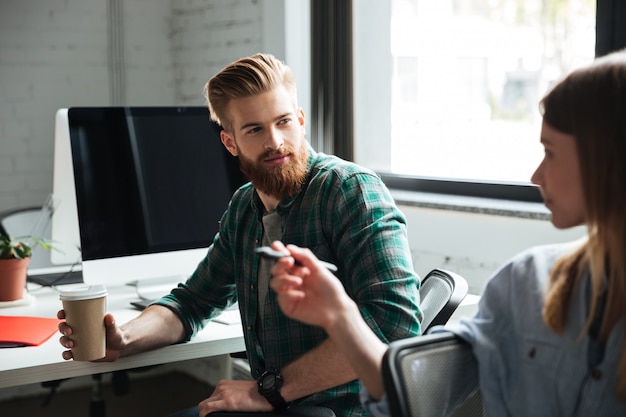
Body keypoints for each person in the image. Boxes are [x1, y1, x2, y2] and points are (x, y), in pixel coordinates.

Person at [57, 53, 421, 417]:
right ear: (230, 143)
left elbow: (396, 328)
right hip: (279, 405)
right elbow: (193, 302)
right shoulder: (244, 208)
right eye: (254, 129)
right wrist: (124, 338)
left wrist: (272, 391)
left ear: (301, 121)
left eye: (283, 122)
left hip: (342, 410)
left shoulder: (349, 190)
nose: (275, 141)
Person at [270, 49, 626, 416]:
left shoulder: (348, 188)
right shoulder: (525, 283)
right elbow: (415, 393)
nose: (536, 177)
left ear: (608, 160)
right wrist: (339, 315)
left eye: (550, 152)